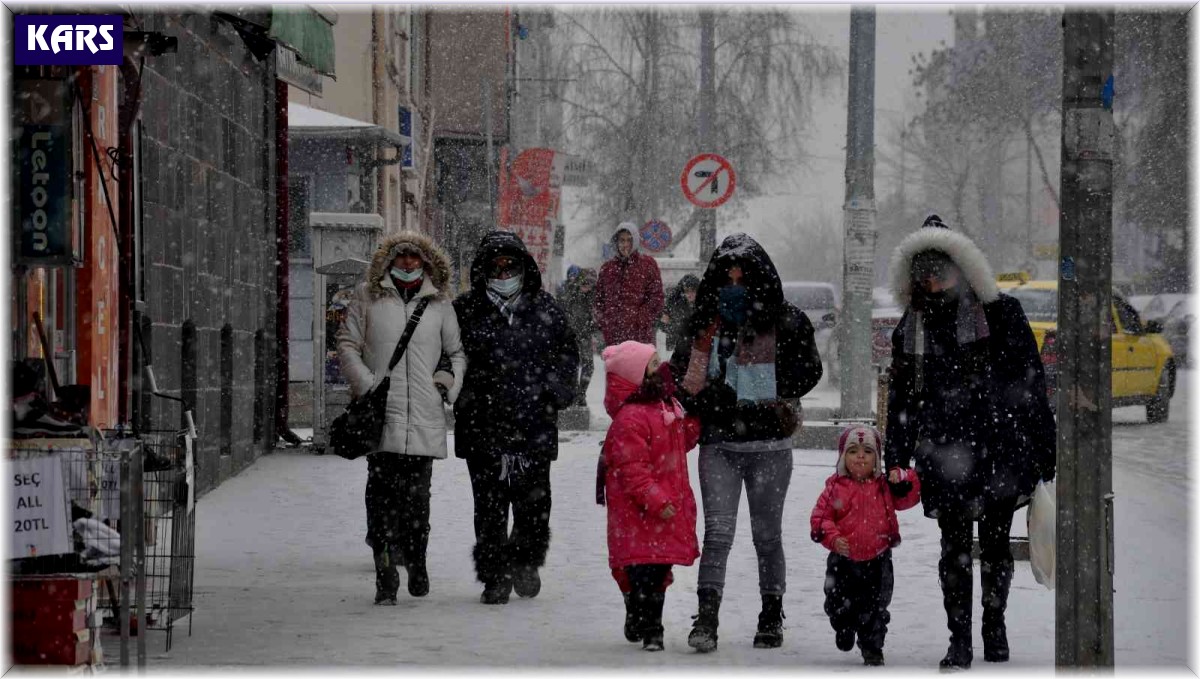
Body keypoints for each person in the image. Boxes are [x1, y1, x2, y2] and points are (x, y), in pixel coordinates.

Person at [885, 215, 1056, 668]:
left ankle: (994, 627)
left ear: (964, 267)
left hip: (1000, 444)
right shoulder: (912, 325)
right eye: (925, 274)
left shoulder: (1001, 313)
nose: (934, 282)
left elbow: (1029, 383)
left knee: (996, 545)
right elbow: (901, 397)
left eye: (941, 270)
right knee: (954, 548)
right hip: (944, 449)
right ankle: (959, 638)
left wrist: (1044, 445)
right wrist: (895, 458)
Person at [669, 233, 823, 652]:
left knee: (767, 535)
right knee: (717, 534)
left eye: (743, 278)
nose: (735, 286)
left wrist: (765, 390)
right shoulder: (703, 321)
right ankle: (706, 617)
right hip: (719, 444)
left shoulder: (786, 320)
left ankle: (771, 615)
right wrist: (712, 397)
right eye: (727, 278)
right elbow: (682, 377)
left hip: (770, 446)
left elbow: (810, 371)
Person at [336, 231, 467, 605]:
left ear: (426, 263)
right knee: (380, 500)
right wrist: (367, 384)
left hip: (424, 417)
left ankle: (417, 558)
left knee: (417, 501)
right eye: (401, 257)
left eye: (414, 258)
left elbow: (455, 353)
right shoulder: (368, 296)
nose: (407, 263)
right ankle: (385, 571)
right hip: (382, 416)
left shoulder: (440, 303)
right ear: (389, 260)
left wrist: (444, 387)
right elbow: (347, 343)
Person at [452, 231, 580, 605]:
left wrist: (552, 393)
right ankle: (495, 576)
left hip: (534, 426)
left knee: (533, 506)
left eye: (511, 265)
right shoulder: (465, 310)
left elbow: (568, 355)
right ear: (483, 269)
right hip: (483, 426)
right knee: (489, 508)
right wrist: (464, 394)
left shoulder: (547, 308)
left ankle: (525, 563)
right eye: (496, 265)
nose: (504, 271)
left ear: (524, 267)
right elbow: (449, 356)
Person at [597, 341, 701, 651]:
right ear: (636, 375)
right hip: (639, 513)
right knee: (640, 570)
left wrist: (696, 419)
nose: (663, 369)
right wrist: (657, 500)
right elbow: (633, 470)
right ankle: (639, 614)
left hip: (663, 507)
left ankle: (652, 626)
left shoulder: (665, 406)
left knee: (658, 571)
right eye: (654, 365)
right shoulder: (631, 417)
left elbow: (680, 440)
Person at [810, 425, 921, 666]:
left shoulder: (883, 488)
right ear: (842, 458)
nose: (860, 456)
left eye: (868, 451)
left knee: (876, 608)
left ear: (877, 459)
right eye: (853, 451)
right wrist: (833, 537)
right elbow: (820, 519)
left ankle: (872, 647)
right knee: (837, 601)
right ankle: (843, 626)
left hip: (878, 559)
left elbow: (910, 497)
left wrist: (904, 476)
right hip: (843, 560)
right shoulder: (835, 487)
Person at [593, 222, 664, 346]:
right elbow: (599, 300)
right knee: (617, 366)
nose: (625, 244)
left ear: (635, 242)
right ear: (616, 242)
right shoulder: (607, 269)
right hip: (613, 337)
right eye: (622, 240)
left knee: (639, 365)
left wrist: (641, 318)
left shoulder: (647, 265)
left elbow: (656, 297)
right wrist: (606, 322)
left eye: (629, 240)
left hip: (639, 337)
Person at [557, 267, 600, 406]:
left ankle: (581, 393)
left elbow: (597, 318)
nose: (586, 286)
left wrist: (593, 326)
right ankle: (573, 393)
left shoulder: (593, 297)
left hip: (585, 336)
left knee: (588, 365)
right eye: (584, 283)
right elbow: (563, 313)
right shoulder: (570, 294)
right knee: (571, 365)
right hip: (570, 336)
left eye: (589, 283)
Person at [661, 274, 700, 351]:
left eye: (693, 290)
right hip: (675, 343)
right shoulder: (673, 302)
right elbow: (663, 324)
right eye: (687, 291)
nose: (690, 294)